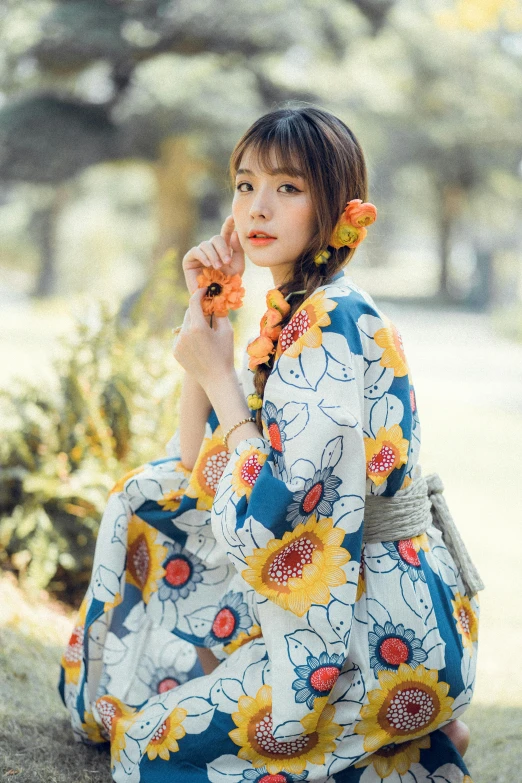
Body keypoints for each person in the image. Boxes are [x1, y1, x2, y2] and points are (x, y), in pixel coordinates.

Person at [60, 105, 483, 783]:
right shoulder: (300, 313)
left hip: (373, 628)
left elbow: (274, 519)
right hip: (356, 601)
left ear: (339, 210)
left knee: (149, 746)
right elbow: (195, 460)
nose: (258, 205)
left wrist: (219, 375)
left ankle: (399, 732)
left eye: (288, 187)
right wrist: (207, 313)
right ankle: (394, 736)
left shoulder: (332, 322)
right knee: (148, 496)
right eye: (245, 183)